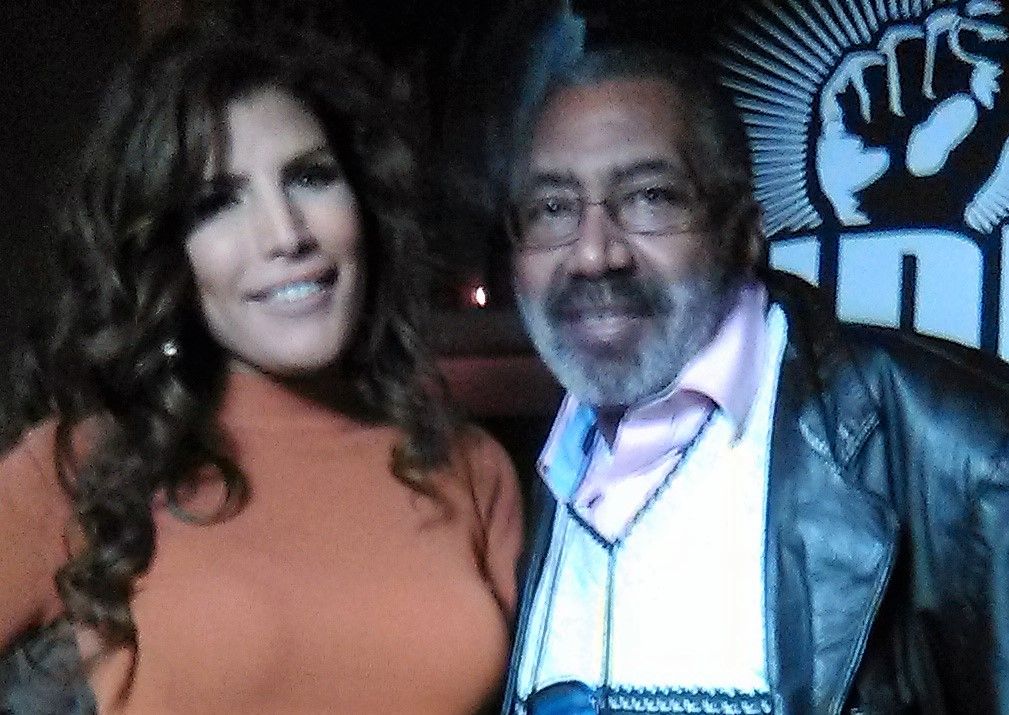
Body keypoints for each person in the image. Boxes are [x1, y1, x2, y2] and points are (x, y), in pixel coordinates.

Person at [0, 16, 522, 715]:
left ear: (364, 205)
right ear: (165, 252)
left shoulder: (471, 465)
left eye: (310, 177)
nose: (286, 235)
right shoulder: (80, 468)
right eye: (216, 203)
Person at [496, 35, 1009, 715]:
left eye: (649, 197)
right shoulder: (532, 470)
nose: (593, 255)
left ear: (742, 232)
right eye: (552, 208)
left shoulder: (965, 453)